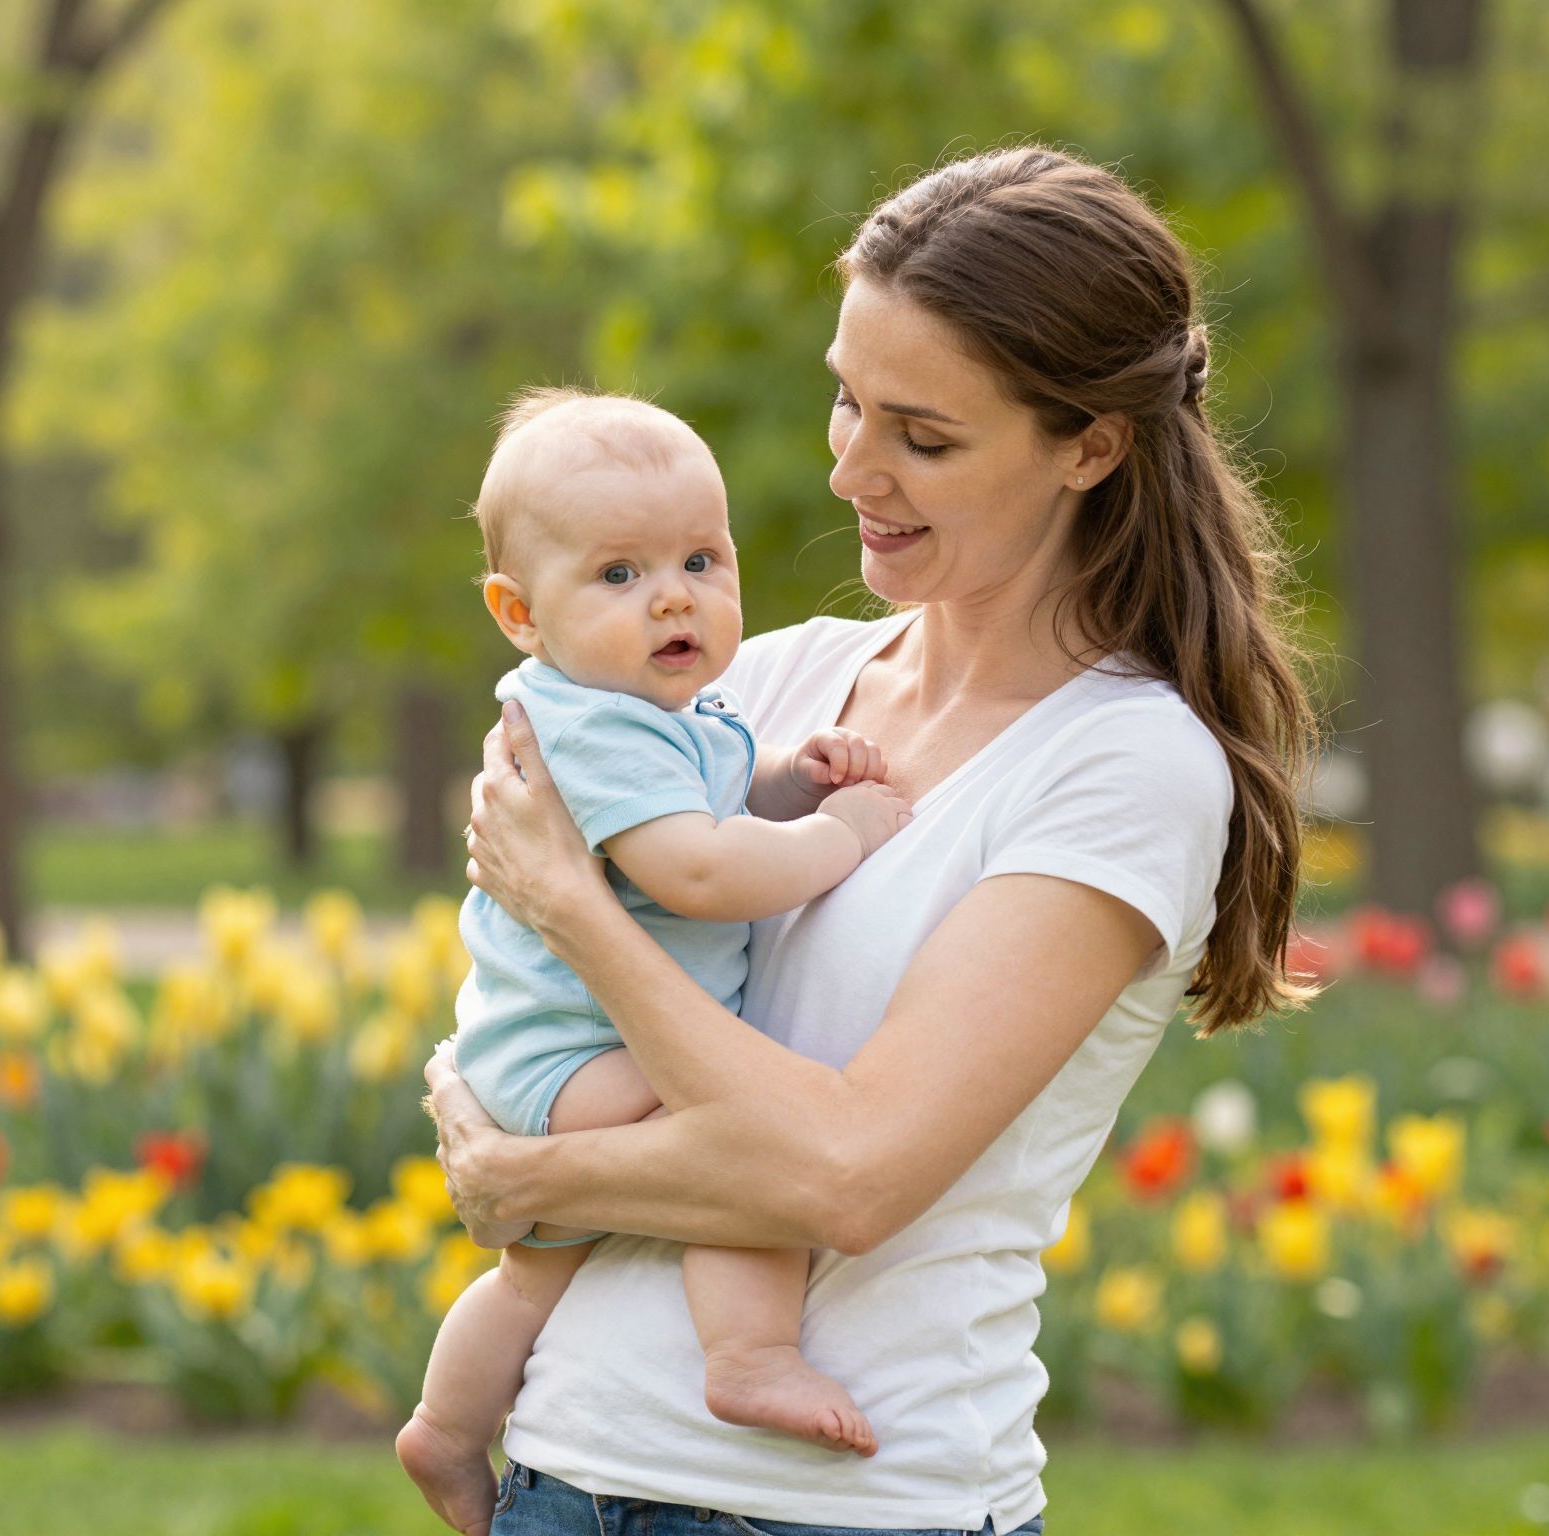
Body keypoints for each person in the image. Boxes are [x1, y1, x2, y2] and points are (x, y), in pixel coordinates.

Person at [426, 143, 1320, 1536]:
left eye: (925, 435)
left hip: (843, 1510)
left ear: (1090, 445)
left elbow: (846, 1176)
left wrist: (531, 1164)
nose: (853, 467)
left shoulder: (1123, 767)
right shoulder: (762, 685)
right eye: (847, 400)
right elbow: (525, 1005)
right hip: (563, 1477)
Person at [399, 388, 915, 1536]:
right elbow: (695, 871)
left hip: (553, 1049)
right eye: (618, 575)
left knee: (535, 1275)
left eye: (698, 557)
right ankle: (748, 1354)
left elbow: (719, 792)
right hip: (571, 1053)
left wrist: (792, 777)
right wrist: (837, 835)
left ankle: (443, 1426)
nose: (674, 594)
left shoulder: (657, 708)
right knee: (739, 1143)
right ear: (519, 613)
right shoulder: (593, 724)